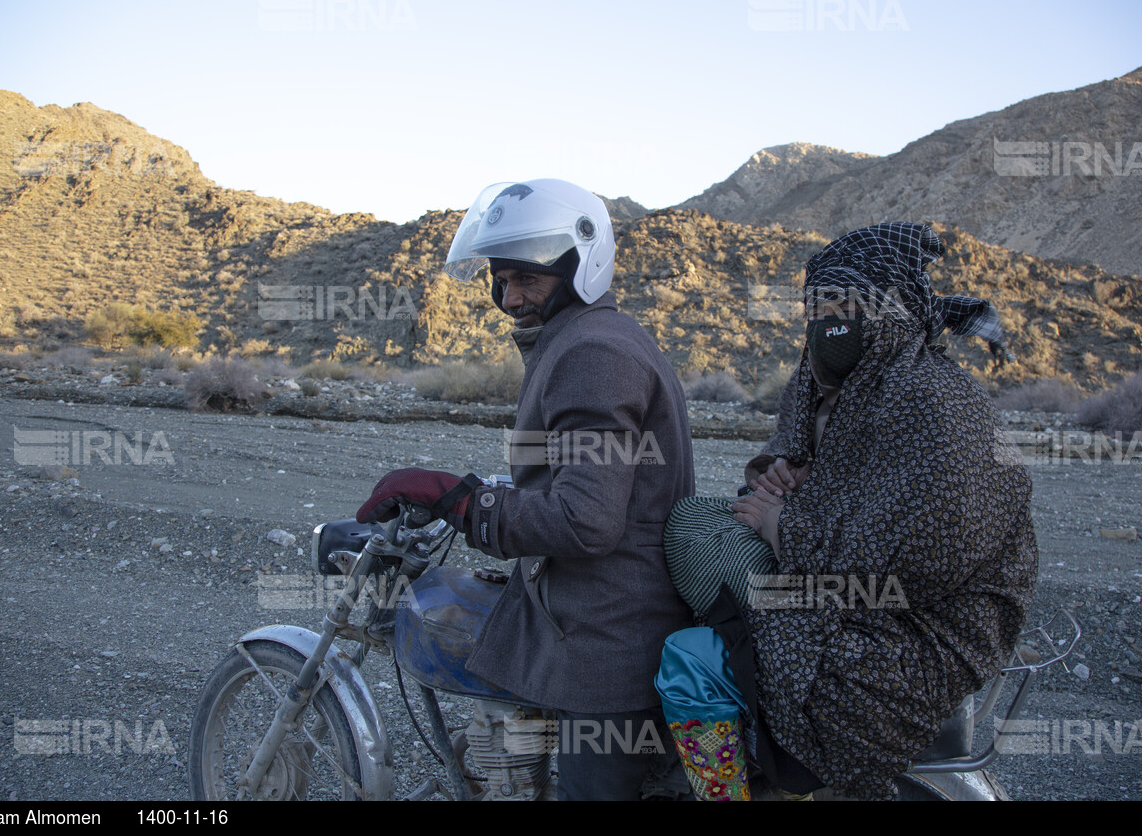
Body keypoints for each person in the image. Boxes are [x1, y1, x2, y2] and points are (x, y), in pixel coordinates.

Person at [655, 222, 1037, 800]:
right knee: (695, 524)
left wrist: (782, 523)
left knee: (688, 659)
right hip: (841, 584)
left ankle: (734, 782)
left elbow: (917, 562)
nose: (828, 321)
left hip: (912, 630)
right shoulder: (826, 379)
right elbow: (802, 464)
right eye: (819, 306)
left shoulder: (931, 403)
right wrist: (785, 476)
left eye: (845, 305)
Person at [356, 179, 695, 800]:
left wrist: (459, 500)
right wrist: (482, 493)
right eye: (501, 280)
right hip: (597, 618)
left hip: (605, 647)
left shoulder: (592, 353)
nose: (509, 299)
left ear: (577, 266)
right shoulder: (588, 337)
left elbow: (586, 520)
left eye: (527, 280)